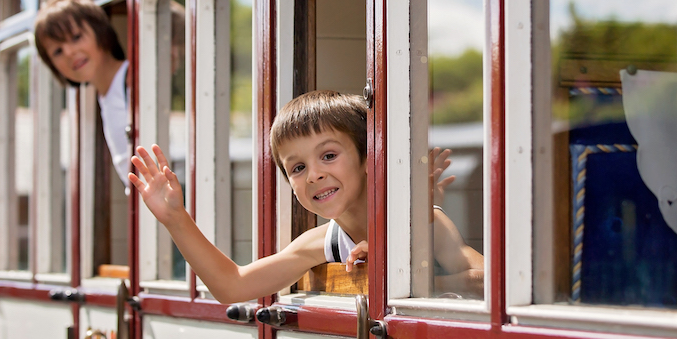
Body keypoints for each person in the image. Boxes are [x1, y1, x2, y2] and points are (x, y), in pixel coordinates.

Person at [129, 90, 484, 304]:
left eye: (328, 156)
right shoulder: (321, 243)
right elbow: (232, 286)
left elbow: (481, 277)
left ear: (367, 159)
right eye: (297, 168)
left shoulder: (421, 220)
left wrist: (392, 275)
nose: (313, 174)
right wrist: (176, 218)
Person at [34, 0, 185, 189]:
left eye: (76, 37)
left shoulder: (134, 78)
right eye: (57, 51)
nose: (69, 52)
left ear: (101, 32)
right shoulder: (104, 95)